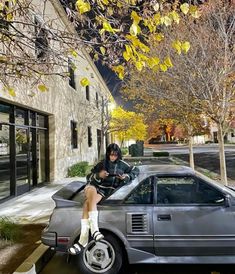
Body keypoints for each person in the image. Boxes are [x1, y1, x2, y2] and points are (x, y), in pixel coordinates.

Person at [68, 143, 139, 255]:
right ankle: (95, 230)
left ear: (118, 155)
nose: (113, 157)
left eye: (115, 155)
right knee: (90, 190)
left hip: (103, 192)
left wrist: (126, 177)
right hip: (93, 187)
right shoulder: (102, 164)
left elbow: (135, 170)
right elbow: (89, 177)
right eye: (111, 155)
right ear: (108, 154)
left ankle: (83, 241)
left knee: (87, 203)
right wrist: (99, 176)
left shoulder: (123, 165)